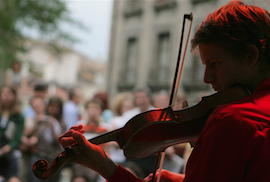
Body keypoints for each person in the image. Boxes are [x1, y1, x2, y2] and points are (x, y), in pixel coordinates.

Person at [58, 1, 270, 181]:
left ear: (251, 56)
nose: (207, 78)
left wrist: (106, 167)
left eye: (215, 64)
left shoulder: (231, 119)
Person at [0, 86, 24, 180]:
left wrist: (4, 150)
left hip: (9, 153)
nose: (5, 96)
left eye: (8, 93)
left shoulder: (18, 116)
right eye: (3, 93)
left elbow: (17, 139)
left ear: (14, 96)